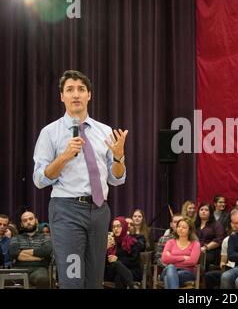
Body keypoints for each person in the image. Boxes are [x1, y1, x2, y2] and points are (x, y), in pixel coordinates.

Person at [33, 70, 128, 288]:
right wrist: (64, 157)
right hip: (67, 212)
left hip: (99, 211)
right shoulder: (50, 133)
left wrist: (118, 156)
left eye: (81, 89)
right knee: (72, 279)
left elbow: (116, 178)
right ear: (62, 96)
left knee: (94, 282)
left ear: (89, 95)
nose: (76, 94)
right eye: (70, 89)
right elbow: (39, 179)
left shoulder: (104, 131)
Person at [9, 211, 52, 288]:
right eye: (25, 221)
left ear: (36, 221)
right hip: (18, 269)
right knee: (6, 280)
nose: (28, 222)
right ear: (21, 224)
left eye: (31, 219)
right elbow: (13, 253)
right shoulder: (16, 238)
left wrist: (22, 252)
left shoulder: (46, 238)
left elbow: (46, 251)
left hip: (39, 269)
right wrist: (38, 257)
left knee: (43, 279)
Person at [160, 217, 201, 289]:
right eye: (179, 226)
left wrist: (171, 258)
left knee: (168, 277)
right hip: (168, 269)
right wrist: (183, 257)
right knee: (171, 268)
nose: (180, 229)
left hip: (187, 272)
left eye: (184, 227)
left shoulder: (195, 244)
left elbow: (192, 261)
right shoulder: (170, 242)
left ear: (190, 230)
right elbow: (164, 259)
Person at [104, 217, 141, 289]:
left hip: (131, 270)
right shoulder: (111, 241)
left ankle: (130, 286)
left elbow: (134, 261)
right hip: (112, 271)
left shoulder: (132, 242)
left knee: (119, 277)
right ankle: (131, 286)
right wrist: (106, 249)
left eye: (118, 226)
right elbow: (103, 263)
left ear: (124, 227)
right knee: (116, 265)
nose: (115, 229)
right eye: (114, 227)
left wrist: (118, 260)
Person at [195, 203, 225, 270]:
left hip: (210, 251)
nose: (203, 211)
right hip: (194, 249)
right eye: (201, 209)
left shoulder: (216, 224)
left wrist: (205, 248)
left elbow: (219, 240)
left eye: (206, 210)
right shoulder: (194, 224)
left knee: (201, 257)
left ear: (210, 212)